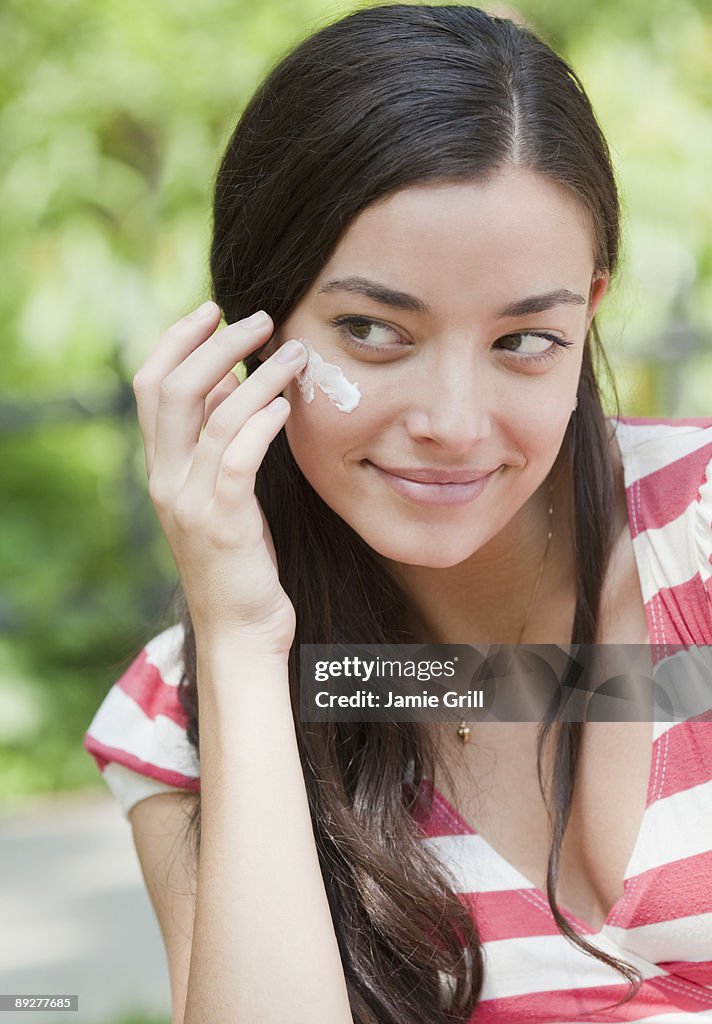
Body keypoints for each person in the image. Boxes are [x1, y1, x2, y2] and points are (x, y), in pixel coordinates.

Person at [84, 5, 712, 1022]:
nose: (454, 425)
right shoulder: (194, 701)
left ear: (588, 309)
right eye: (373, 330)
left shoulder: (699, 531)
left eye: (525, 340)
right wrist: (245, 641)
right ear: (256, 324)